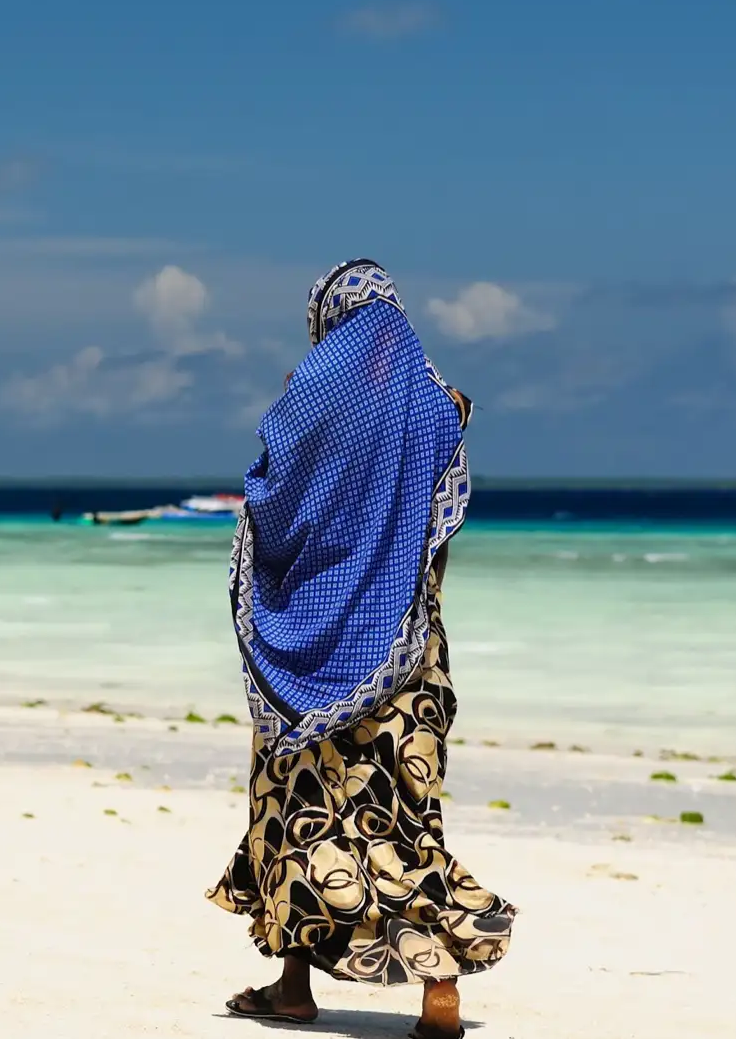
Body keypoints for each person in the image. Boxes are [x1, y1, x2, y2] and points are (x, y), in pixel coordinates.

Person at [208, 260, 511, 1039]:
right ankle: (438, 991)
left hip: (308, 655)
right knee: (404, 817)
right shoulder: (439, 406)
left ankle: (294, 984)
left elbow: (268, 502)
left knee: (295, 811)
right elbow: (440, 528)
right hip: (408, 655)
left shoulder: (306, 400)